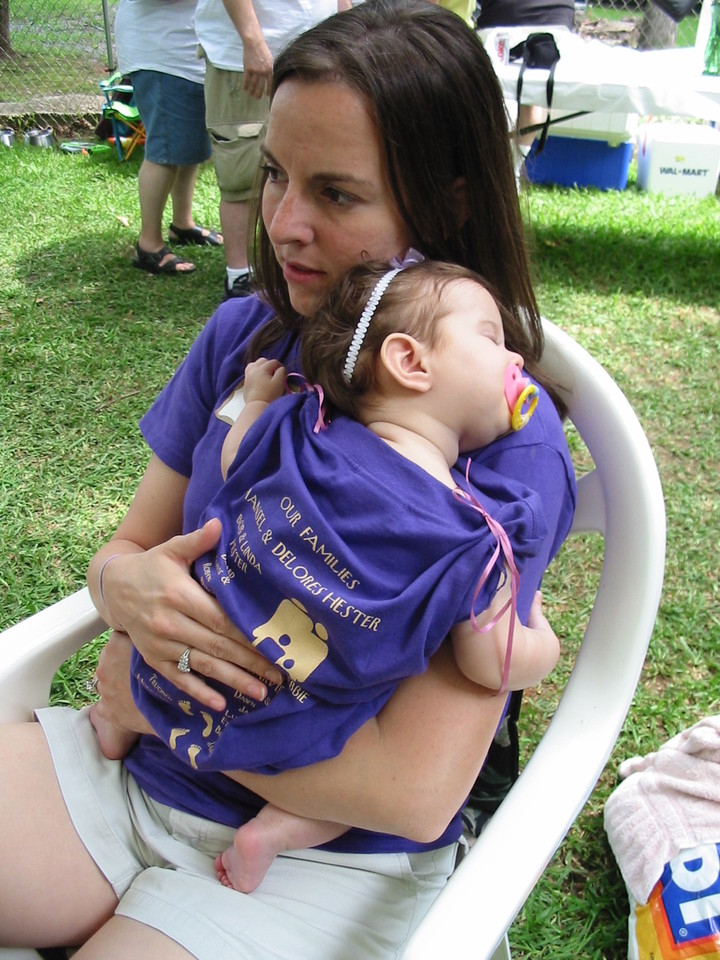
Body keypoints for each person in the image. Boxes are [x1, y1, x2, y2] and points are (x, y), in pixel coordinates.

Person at [0, 3, 576, 956]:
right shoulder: (248, 340)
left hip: (325, 858)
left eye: (337, 194)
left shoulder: (500, 449)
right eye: (274, 173)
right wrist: (121, 586)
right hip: (133, 774)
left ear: (452, 199)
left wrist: (153, 701)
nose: (284, 223)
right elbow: (130, 549)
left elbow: (414, 788)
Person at [91, 257, 560, 893]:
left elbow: (236, 458)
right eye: (490, 339)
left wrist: (257, 398)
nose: (516, 362)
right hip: (300, 723)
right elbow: (492, 660)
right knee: (325, 764)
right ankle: (278, 829)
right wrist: (544, 644)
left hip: (185, 667)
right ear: (410, 361)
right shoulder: (475, 533)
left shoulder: (300, 428)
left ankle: (117, 720)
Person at [194, 0, 344, 299]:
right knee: (243, 172)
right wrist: (252, 41)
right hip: (247, 59)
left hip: (321, 56)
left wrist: (349, 29)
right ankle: (239, 276)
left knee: (315, 169)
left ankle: (288, 268)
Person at [113, 0, 224, 277]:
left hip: (184, 51)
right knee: (165, 150)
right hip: (162, 53)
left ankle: (182, 224)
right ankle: (149, 245)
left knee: (188, 145)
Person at [475, 0, 576, 163]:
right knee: (535, 96)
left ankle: (504, 170)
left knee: (484, 93)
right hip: (557, 21)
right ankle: (512, 169)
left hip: (502, 20)